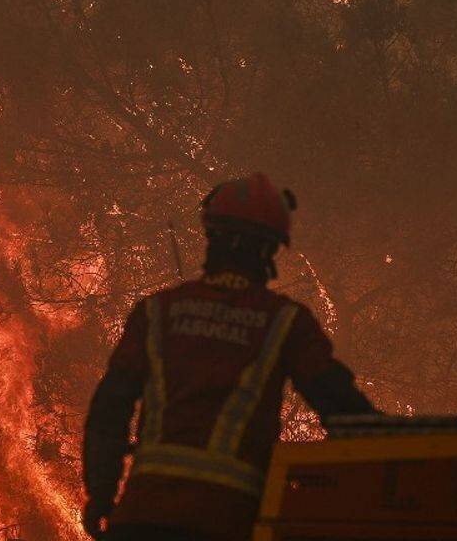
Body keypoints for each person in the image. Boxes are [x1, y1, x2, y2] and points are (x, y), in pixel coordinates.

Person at [81, 173, 378, 541]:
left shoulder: (157, 312)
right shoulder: (285, 322)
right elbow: (343, 408)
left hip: (143, 518)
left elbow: (109, 410)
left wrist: (101, 495)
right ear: (270, 251)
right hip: (227, 522)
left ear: (211, 235)